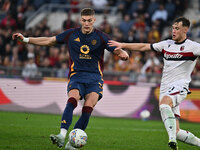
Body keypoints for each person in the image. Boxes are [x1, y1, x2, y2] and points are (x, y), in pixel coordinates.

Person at [12, 8, 129, 150]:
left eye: (89, 20)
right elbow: (49, 40)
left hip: (95, 78)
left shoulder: (101, 37)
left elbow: (116, 48)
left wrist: (122, 53)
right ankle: (62, 134)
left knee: (88, 107)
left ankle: (70, 144)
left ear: (94, 20)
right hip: (77, 75)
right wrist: (25, 40)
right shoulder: (71, 34)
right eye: (84, 20)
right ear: (80, 20)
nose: (86, 23)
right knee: (72, 99)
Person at [108, 17, 200, 150]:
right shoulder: (167, 44)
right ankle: (179, 138)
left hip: (180, 86)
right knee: (177, 132)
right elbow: (144, 46)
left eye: (177, 28)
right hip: (165, 88)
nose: (173, 31)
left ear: (186, 30)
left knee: (164, 104)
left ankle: (172, 141)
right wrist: (122, 45)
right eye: (173, 28)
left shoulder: (194, 47)